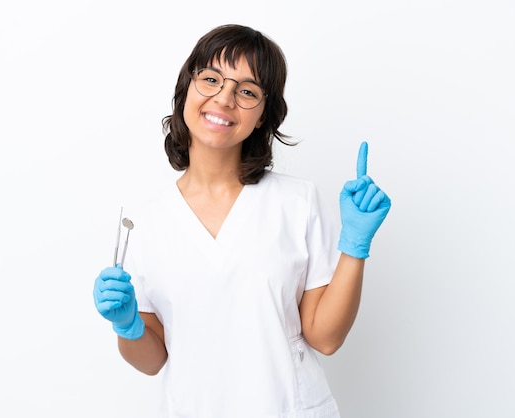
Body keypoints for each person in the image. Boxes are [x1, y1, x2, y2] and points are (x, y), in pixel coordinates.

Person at [93, 24, 391, 417]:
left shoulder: (295, 201)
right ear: (187, 87)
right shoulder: (146, 224)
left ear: (264, 114)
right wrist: (128, 325)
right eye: (211, 79)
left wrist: (354, 245)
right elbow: (151, 361)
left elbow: (326, 337)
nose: (224, 98)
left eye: (247, 91)